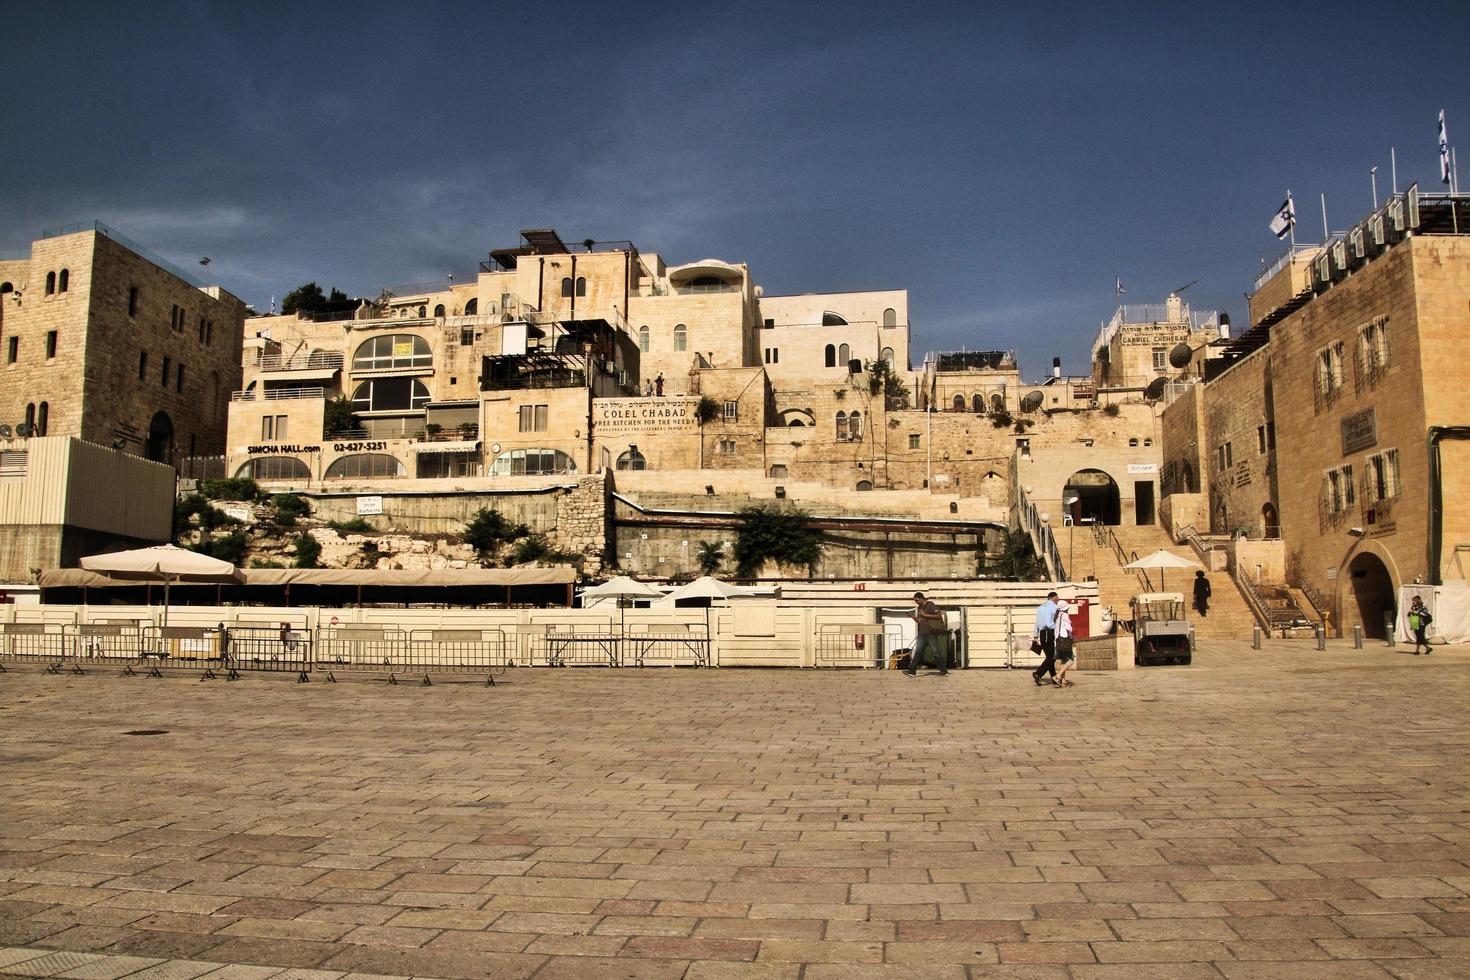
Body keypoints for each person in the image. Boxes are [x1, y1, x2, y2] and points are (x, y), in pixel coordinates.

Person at [903, 591, 949, 677]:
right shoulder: (920, 608)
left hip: (930, 633)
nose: (916, 602)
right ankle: (912, 671)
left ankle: (943, 670)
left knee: (936, 652)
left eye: (916, 600)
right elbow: (920, 621)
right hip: (922, 633)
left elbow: (938, 616)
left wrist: (925, 614)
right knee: (918, 652)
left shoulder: (930, 605)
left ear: (921, 598)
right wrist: (912, 616)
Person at [1032, 591, 1059, 686]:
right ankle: (1038, 674)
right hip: (1049, 632)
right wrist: (1056, 627)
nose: (1058, 601)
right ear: (1055, 598)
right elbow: (1048, 623)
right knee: (1051, 657)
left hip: (1042, 634)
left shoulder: (1040, 607)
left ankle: (1054, 677)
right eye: (1057, 599)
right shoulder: (1054, 607)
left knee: (1050, 657)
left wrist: (1035, 636)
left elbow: (1036, 622)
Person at [1053, 599, 1076, 687]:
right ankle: (1058, 676)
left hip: (1058, 641)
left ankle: (1063, 681)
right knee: (1071, 660)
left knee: (1063, 660)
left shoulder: (1057, 616)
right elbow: (1069, 628)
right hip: (1065, 640)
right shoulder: (1065, 615)